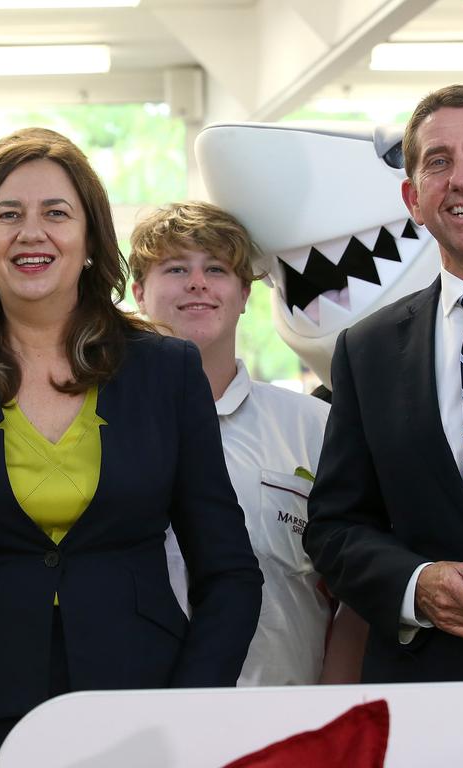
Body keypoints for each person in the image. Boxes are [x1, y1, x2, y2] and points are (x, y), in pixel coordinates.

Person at [0, 129, 262, 768]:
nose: (31, 232)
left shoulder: (166, 371)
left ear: (90, 238)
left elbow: (230, 574)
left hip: (145, 711)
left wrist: (190, 712)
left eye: (56, 213)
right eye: (8, 215)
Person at [304, 84, 463, 682]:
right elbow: (336, 527)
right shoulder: (365, 350)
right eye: (438, 163)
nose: (462, 179)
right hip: (430, 694)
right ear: (413, 199)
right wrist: (414, 587)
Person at [129, 201, 365, 685]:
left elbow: (358, 593)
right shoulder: (102, 427)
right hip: (136, 716)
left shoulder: (316, 428)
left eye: (215, 269)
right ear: (138, 293)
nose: (197, 283)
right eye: (176, 268)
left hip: (282, 722)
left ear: (244, 294)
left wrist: (329, 708)